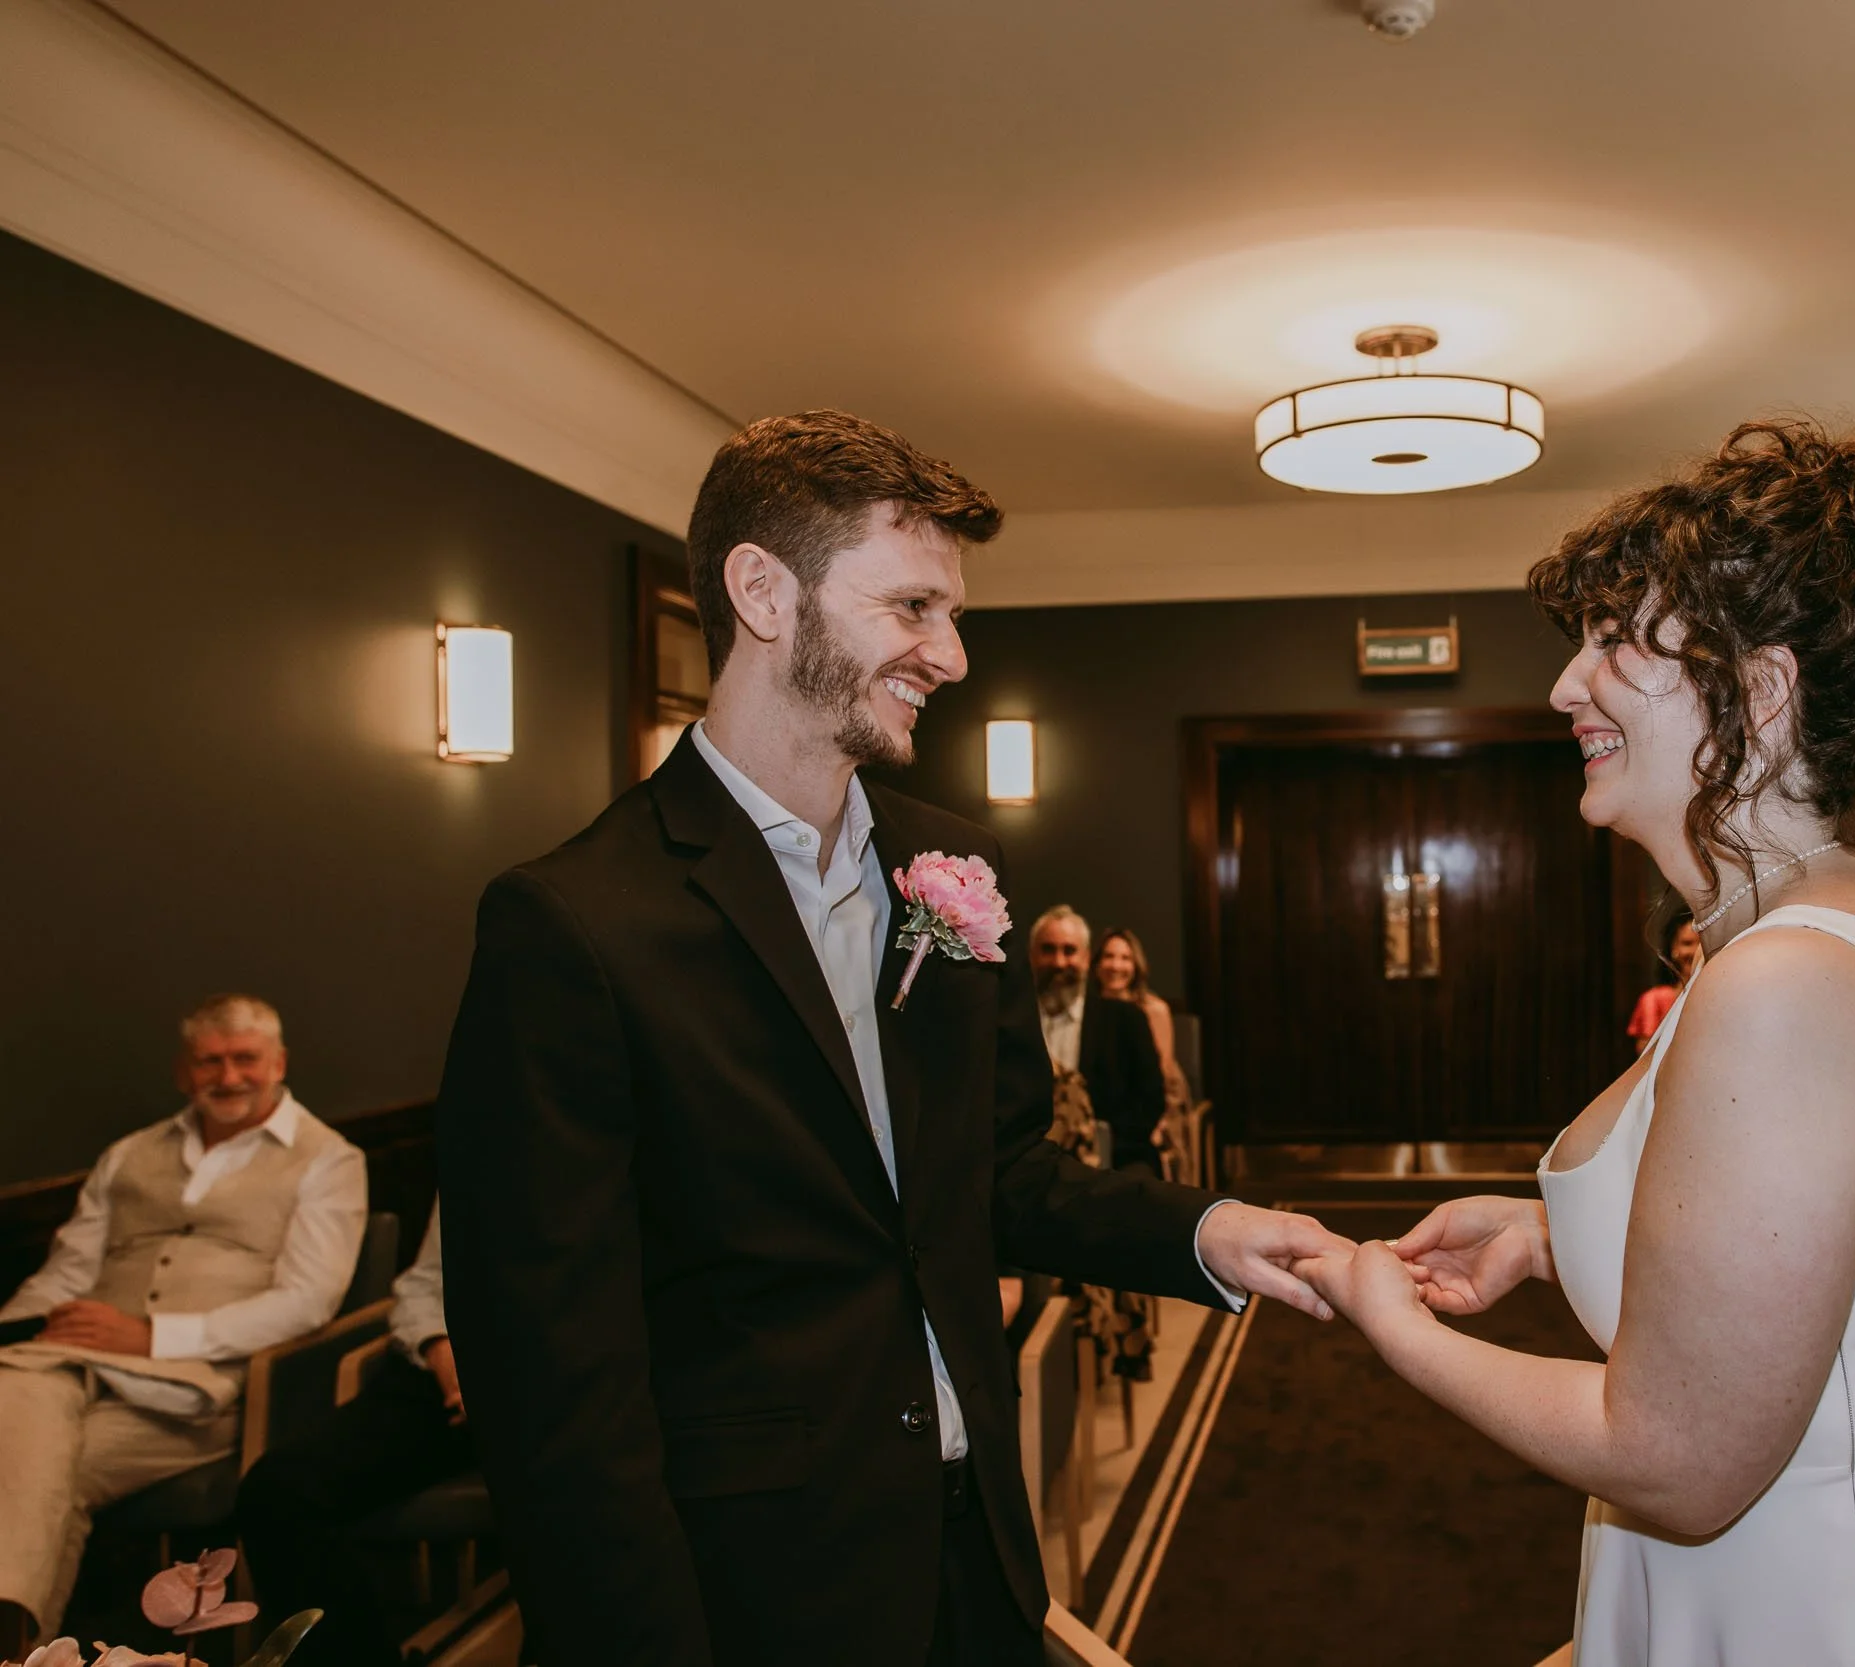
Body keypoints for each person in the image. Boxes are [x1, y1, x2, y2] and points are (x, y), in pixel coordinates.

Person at [432, 409, 1347, 1667]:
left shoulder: (946, 864)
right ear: (763, 591)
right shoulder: (575, 924)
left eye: (952, 612)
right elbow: (554, 1385)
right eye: (913, 607)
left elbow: (1000, 1174)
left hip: (975, 1556)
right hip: (752, 1591)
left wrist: (1206, 1230)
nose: (952, 654)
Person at [1293, 419, 1855, 1663]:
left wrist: (1393, 1323)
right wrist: (1547, 1233)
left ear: (1762, 689)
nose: (1568, 684)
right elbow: (1830, 1288)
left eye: (1617, 642)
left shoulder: (1786, 981)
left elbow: (1676, 1459)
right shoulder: (1846, 915)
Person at [0, 996, 365, 1660]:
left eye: (245, 1058)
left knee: (33, 1466)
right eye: (210, 1060)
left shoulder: (329, 1159)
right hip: (68, 1368)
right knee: (30, 1434)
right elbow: (65, 1274)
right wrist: (18, 1329)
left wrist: (154, 1335)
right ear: (182, 1071)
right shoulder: (129, 1154)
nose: (229, 1076)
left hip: (195, 1394)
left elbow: (306, 1301)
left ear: (278, 1063)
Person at [235, 1203, 473, 1667]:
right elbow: (426, 1283)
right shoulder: (481, 1141)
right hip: (440, 1370)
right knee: (277, 1492)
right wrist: (440, 1350)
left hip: (570, 1379)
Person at [1030, 907, 1165, 1173]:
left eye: (1069, 951)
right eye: (1048, 950)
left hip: (1113, 1159)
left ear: (1086, 958)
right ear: (1032, 956)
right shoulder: (1011, 1020)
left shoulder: (1126, 1019)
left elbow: (1150, 1102)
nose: (1058, 962)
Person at [1091, 926, 1190, 1117]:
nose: (1116, 966)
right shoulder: (1088, 1009)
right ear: (1096, 964)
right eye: (1108, 956)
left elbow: (1162, 1077)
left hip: (1158, 1105)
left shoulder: (1154, 1009)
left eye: (1125, 958)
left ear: (1136, 965)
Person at [1624, 916, 1702, 1045]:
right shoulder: (1655, 1000)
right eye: (1687, 943)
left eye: (1701, 943)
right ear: (1673, 948)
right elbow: (1646, 1055)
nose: (1696, 951)